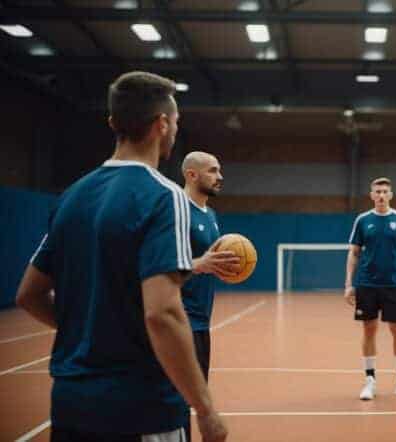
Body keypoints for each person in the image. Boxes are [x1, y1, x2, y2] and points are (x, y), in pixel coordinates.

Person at [15, 71, 227, 442]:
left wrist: (90, 333)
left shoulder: (72, 196)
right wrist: (205, 408)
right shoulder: (164, 195)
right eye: (175, 122)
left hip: (70, 403)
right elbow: (161, 312)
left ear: (114, 123)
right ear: (162, 125)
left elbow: (28, 295)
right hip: (141, 407)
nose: (175, 130)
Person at [344, 177, 396, 401]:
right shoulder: (362, 220)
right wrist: (349, 284)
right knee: (369, 329)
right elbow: (354, 253)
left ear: (391, 195)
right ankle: (370, 380)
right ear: (371, 195)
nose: (381, 195)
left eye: (385, 191)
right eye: (377, 191)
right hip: (367, 284)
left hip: (394, 284)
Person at [181, 151, 239, 381]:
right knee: (176, 398)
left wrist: (220, 267)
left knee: (194, 392)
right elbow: (157, 263)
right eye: (213, 170)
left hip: (202, 318)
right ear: (192, 174)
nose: (220, 176)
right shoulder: (176, 210)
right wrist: (198, 265)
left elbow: (206, 260)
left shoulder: (211, 214)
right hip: (180, 317)